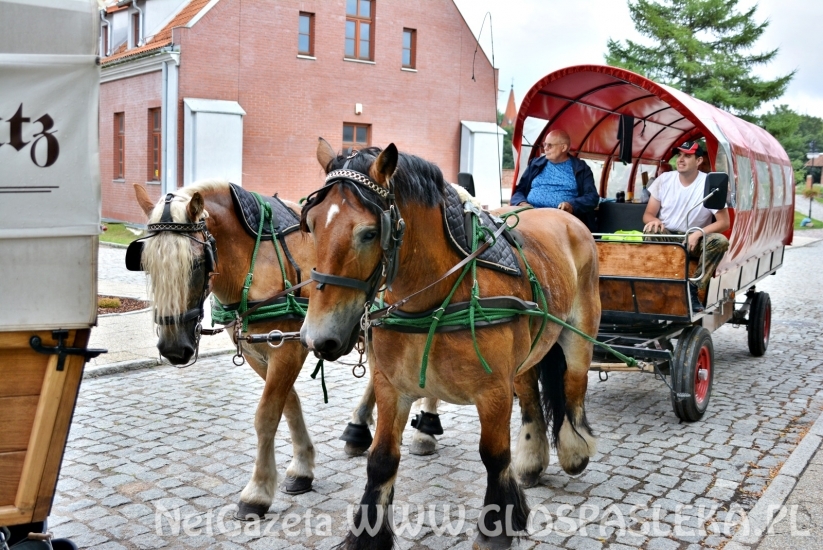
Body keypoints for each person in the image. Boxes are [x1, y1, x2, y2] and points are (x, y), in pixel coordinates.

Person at [642, 141, 730, 313]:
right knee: (651, 232)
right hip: (669, 236)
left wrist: (698, 233)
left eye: (687, 156)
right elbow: (648, 214)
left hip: (694, 240)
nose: (681, 159)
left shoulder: (709, 183)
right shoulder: (664, 180)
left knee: (720, 241)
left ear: (698, 161)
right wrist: (653, 220)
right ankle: (657, 288)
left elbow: (724, 222)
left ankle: (693, 289)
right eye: (679, 155)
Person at [510, 129, 600, 231]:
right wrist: (522, 203)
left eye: (550, 145)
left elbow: (592, 197)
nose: (545, 148)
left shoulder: (581, 168)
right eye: (544, 144)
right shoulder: (535, 164)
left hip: (562, 222)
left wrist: (571, 206)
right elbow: (519, 191)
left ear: (564, 147)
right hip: (530, 216)